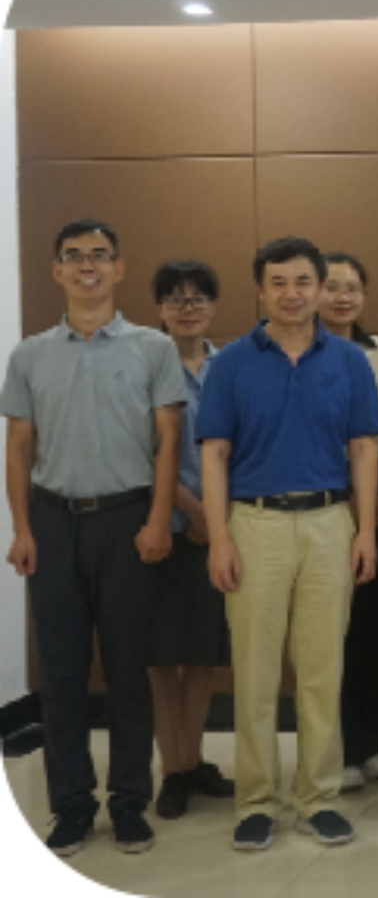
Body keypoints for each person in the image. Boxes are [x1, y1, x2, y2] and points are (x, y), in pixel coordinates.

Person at [3, 220, 184, 858]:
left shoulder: (152, 349)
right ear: (56, 270)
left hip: (127, 520)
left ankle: (130, 803)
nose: (88, 266)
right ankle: (72, 807)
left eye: (100, 256)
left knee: (129, 668)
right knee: (61, 673)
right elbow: (18, 447)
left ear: (119, 268)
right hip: (53, 524)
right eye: (74, 256)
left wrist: (158, 519)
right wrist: (21, 528)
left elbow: (168, 441)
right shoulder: (29, 355)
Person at [198, 236, 378, 851]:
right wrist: (219, 537)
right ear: (260, 289)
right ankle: (256, 802)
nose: (292, 293)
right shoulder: (231, 363)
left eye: (303, 281)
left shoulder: (349, 361)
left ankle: (318, 798)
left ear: (321, 287)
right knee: (254, 674)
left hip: (330, 522)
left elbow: (365, 448)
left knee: (322, 672)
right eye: (278, 282)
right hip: (255, 525)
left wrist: (365, 530)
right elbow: (214, 453)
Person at [147, 260, 236, 821]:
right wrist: (191, 509)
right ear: (159, 308)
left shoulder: (231, 367)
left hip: (218, 533)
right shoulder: (145, 363)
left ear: (213, 306)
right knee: (161, 658)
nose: (188, 308)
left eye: (198, 298)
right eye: (176, 299)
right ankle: (173, 769)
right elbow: (142, 450)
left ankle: (195, 757)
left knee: (203, 656)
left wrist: (216, 521)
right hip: (163, 530)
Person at [319, 253, 378, 793]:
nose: (342, 296)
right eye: (332, 286)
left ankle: (371, 743)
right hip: (325, 501)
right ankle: (338, 748)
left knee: (373, 629)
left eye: (352, 287)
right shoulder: (300, 352)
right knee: (330, 633)